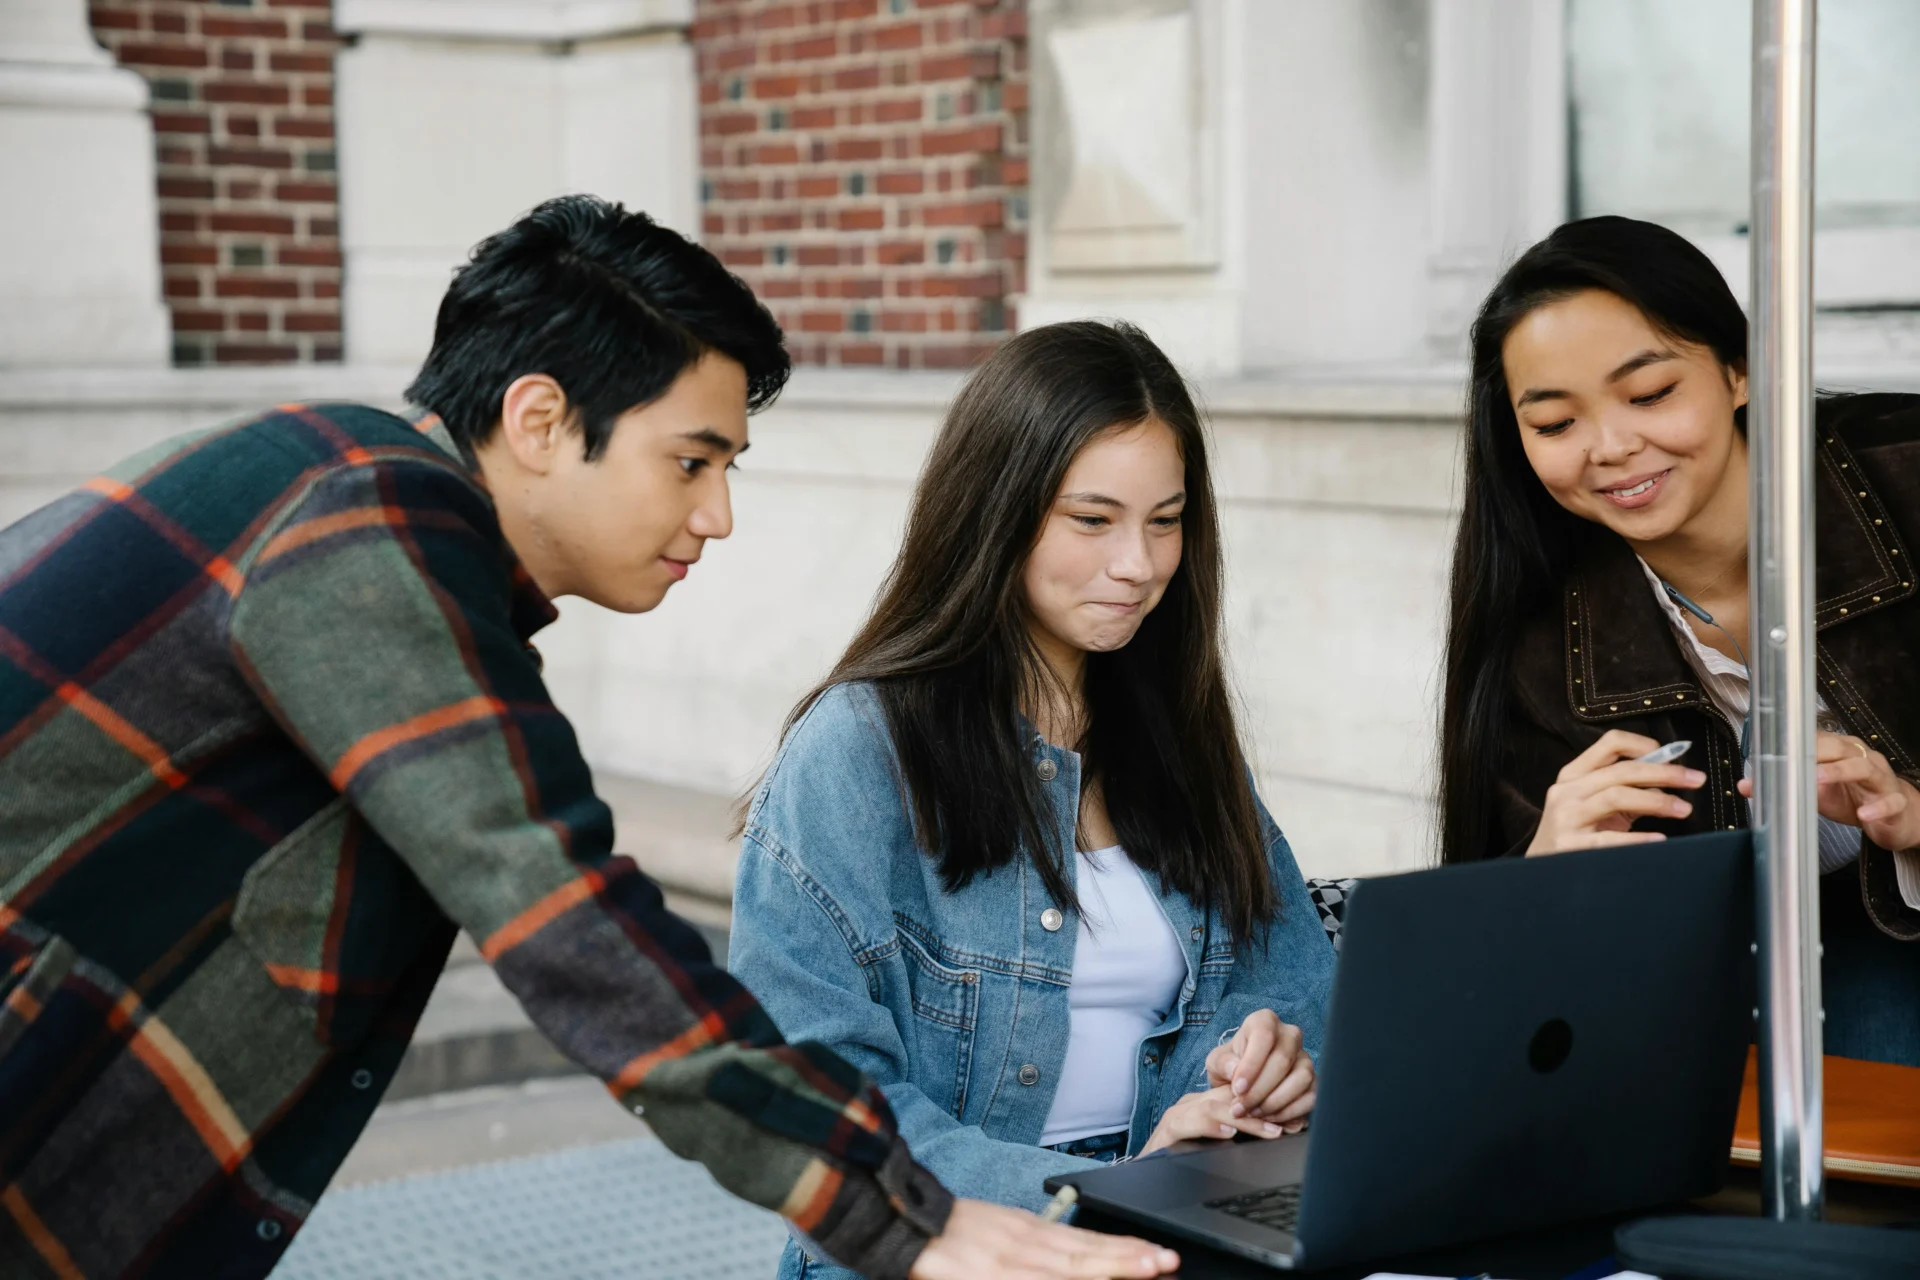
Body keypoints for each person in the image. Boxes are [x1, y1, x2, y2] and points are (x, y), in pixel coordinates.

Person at [0, 197, 1180, 1280]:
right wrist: (900, 1212)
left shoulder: (361, 517)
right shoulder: (357, 518)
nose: (717, 514)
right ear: (541, 419)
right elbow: (555, 904)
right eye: (692, 461)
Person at [728, 320, 1336, 1279]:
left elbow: (1293, 979)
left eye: (1166, 519)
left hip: (1176, 1230)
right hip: (953, 1250)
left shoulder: (1182, 737)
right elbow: (816, 1091)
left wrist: (1250, 1070)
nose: (1138, 563)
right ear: (995, 512)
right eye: (1091, 520)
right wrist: (1102, 1192)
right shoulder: (858, 751)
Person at [1438, 214, 1920, 1065]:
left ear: (1740, 370)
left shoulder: (1903, 477)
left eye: (1651, 394)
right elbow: (1497, 987)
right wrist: (1547, 871)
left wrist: (1913, 820)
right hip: (1703, 1006)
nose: (1613, 447)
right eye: (1554, 424)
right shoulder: (1534, 630)